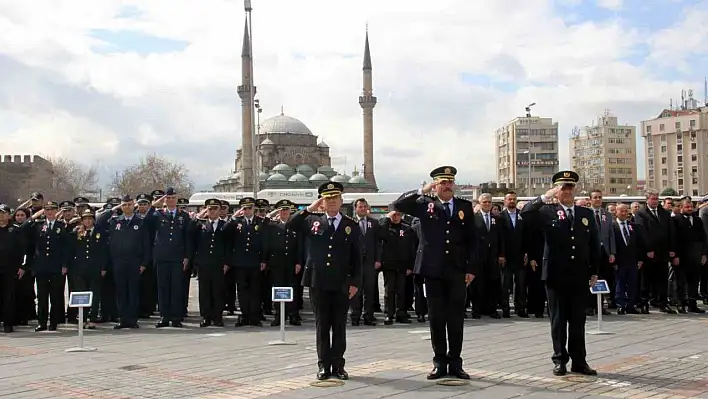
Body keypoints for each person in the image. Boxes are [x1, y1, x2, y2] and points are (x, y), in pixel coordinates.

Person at [393, 166, 476, 380]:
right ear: (435, 185)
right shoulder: (424, 204)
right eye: (443, 183)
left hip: (457, 270)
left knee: (456, 318)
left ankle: (455, 362)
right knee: (436, 317)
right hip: (432, 269)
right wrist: (423, 190)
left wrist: (471, 269)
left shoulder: (464, 207)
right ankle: (439, 362)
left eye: (450, 182)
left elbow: (473, 240)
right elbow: (399, 204)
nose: (447, 186)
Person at [519, 170, 600, 376]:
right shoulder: (547, 211)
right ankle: (559, 359)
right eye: (563, 187)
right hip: (555, 275)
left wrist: (594, 271)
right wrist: (545, 196)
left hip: (579, 275)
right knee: (558, 320)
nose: (567, 191)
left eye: (570, 187)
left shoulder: (585, 213)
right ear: (556, 190)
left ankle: (579, 361)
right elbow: (526, 212)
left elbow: (593, 245)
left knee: (577, 320)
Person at [286, 182, 362, 381]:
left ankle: (338, 365)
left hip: (341, 282)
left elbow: (357, 257)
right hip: (317, 281)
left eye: (334, 198)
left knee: (339, 325)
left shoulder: (350, 225)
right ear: (322, 201)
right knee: (322, 325)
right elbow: (290, 224)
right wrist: (309, 208)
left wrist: (355, 282)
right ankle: (323, 365)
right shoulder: (312, 220)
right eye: (327, 199)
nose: (331, 202)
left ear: (341, 200)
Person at [187, 198, 229, 327]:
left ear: (219, 210)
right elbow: (190, 230)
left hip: (218, 263)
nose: (212, 211)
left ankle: (217, 317)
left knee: (218, 291)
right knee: (204, 291)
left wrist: (227, 262)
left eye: (215, 208)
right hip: (204, 263)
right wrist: (200, 215)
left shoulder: (224, 225)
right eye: (210, 209)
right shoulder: (201, 224)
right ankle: (206, 317)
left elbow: (229, 245)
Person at [0, 204, 26, 333]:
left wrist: (22, 266)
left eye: (4, 213)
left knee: (9, 296)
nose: (1, 216)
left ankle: (8, 323)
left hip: (10, 269)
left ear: (9, 215)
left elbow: (23, 250)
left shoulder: (15, 230)